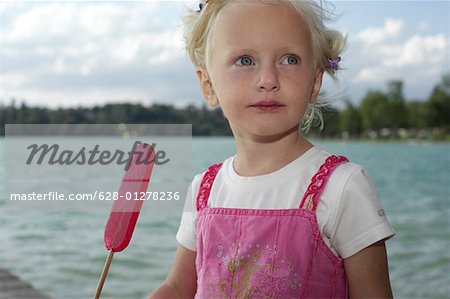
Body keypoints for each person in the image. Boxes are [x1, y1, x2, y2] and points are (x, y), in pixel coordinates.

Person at [150, 0, 395, 298]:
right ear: (208, 85)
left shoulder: (342, 187)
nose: (268, 80)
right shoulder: (204, 189)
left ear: (315, 81)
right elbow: (177, 288)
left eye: (289, 60)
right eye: (244, 60)